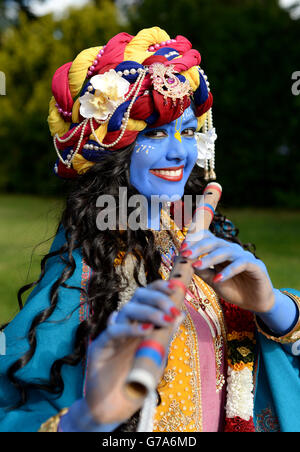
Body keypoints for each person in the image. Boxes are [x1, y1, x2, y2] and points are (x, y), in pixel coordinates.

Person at [1, 26, 300, 433]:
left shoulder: (204, 236)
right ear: (114, 148)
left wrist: (273, 307)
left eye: (189, 131)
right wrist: (92, 415)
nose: (179, 151)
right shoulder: (82, 276)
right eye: (156, 134)